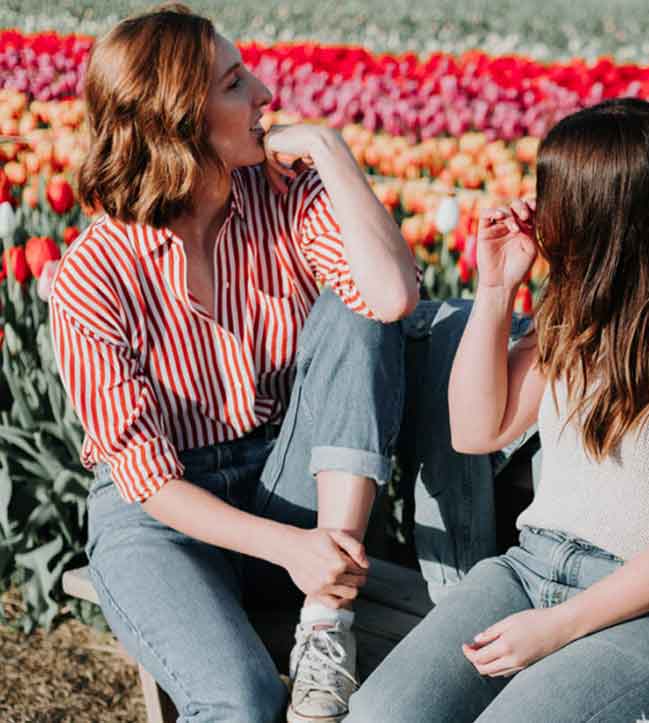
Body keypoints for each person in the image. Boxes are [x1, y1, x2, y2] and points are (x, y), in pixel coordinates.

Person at [346, 97, 649, 722]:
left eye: (551, 195)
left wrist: (559, 627)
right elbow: (478, 431)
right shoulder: (579, 311)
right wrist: (496, 288)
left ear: (602, 214)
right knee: (378, 717)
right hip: (529, 569)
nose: (539, 212)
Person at [48, 5, 421, 721]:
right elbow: (149, 479)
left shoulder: (285, 195)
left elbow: (392, 295)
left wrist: (332, 151)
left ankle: (324, 623)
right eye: (234, 83)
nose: (266, 95)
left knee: (356, 308)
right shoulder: (93, 276)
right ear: (177, 119)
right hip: (162, 521)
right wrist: (292, 546)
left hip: (286, 480)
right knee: (240, 702)